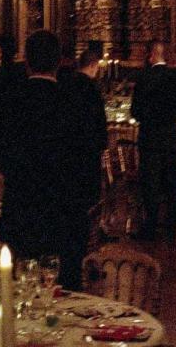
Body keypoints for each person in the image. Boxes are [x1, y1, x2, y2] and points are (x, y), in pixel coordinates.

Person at [0, 30, 81, 289]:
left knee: (18, 288)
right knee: (64, 292)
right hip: (64, 211)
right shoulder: (75, 102)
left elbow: (1, 155)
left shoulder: (9, 102)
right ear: (58, 62)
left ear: (27, 63)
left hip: (21, 208)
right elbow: (87, 159)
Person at [130, 40, 176, 241]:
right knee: (172, 180)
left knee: (151, 183)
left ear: (151, 55)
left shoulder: (144, 78)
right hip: (170, 137)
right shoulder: (175, 76)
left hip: (150, 138)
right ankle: (172, 225)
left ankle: (151, 225)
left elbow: (135, 111)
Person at [61, 50, 109, 273]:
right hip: (87, 161)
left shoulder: (64, 85)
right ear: (93, 66)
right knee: (87, 212)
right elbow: (101, 130)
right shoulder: (92, 89)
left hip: (67, 160)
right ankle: (85, 258)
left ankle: (69, 261)